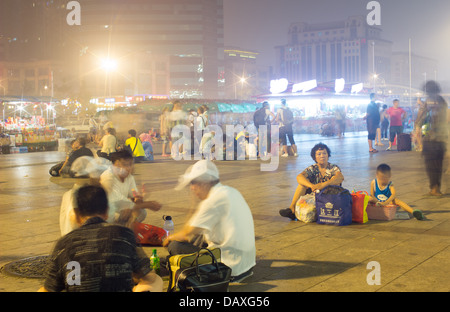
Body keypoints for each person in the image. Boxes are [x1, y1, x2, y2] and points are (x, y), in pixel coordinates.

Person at [39, 185, 163, 292]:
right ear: (107, 212)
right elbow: (144, 274)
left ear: (76, 215)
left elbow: (49, 288)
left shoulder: (64, 243)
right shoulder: (124, 234)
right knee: (155, 280)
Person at [163, 160, 256, 283]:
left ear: (204, 183)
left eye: (193, 183)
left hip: (229, 268)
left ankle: (169, 264)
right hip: (246, 264)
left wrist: (168, 239)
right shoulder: (230, 191)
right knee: (200, 235)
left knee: (175, 245)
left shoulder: (212, 201)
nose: (191, 188)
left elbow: (186, 233)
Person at [279, 143, 344, 220]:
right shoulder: (313, 168)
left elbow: (340, 178)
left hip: (329, 196)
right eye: (319, 154)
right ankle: (292, 209)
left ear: (328, 155)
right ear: (314, 157)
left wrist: (323, 185)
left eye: (324, 153)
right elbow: (299, 177)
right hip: (315, 194)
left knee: (335, 181)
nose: (322, 156)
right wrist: (311, 186)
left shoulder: (333, 167)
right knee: (302, 185)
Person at [100, 150, 162, 228]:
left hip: (120, 208)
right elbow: (117, 202)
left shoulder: (129, 176)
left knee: (141, 212)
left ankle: (125, 230)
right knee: (122, 213)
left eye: (130, 164)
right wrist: (147, 204)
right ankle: (117, 229)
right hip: (107, 211)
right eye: (124, 164)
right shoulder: (107, 177)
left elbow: (133, 196)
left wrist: (139, 198)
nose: (128, 168)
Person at [416, 80, 448, 196]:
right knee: (437, 166)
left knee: (431, 165)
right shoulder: (442, 101)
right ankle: (435, 188)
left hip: (432, 140)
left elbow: (422, 118)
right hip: (440, 140)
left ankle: (434, 188)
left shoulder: (431, 101)